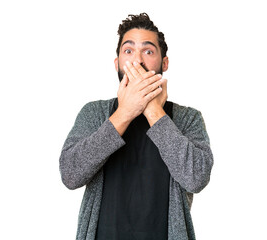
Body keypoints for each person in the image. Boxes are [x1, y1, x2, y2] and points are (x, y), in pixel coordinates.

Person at [59, 13, 213, 240]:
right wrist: (124, 113)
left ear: (165, 63)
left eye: (148, 51)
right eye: (128, 51)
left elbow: (197, 178)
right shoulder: (94, 113)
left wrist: (153, 111)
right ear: (117, 63)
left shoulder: (187, 118)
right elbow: (70, 175)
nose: (137, 60)